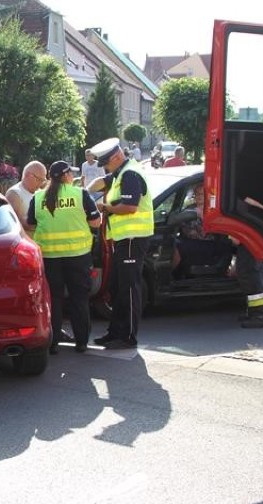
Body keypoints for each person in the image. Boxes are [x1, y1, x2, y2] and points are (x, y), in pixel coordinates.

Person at [27, 161, 102, 353]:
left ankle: (53, 343)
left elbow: (31, 223)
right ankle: (82, 342)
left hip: (50, 256)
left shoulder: (38, 197)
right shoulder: (80, 194)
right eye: (71, 173)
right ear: (67, 175)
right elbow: (95, 223)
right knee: (79, 299)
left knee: (54, 299)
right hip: (78, 256)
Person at [87, 137, 154, 349]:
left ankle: (128, 336)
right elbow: (99, 183)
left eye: (107, 162)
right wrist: (85, 191)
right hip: (123, 240)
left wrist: (105, 207)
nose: (105, 167)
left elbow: (130, 206)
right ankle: (115, 331)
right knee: (116, 287)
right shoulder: (120, 172)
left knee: (129, 288)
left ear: (117, 156)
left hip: (134, 238)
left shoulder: (130, 174)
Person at [231, 239, 263, 328]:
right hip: (248, 245)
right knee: (249, 280)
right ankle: (254, 313)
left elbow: (237, 238)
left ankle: (262, 316)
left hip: (249, 246)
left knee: (254, 280)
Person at [6, 161, 47, 235]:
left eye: (43, 180)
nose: (41, 184)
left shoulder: (40, 193)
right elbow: (17, 222)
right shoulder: (14, 194)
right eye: (39, 179)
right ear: (28, 175)